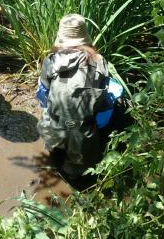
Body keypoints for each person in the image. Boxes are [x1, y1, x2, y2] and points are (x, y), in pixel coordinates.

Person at [36, 14, 128, 180]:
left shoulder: (50, 61)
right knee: (78, 172)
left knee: (53, 152)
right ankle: (74, 174)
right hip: (82, 132)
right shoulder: (98, 61)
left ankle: (55, 152)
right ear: (85, 38)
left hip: (52, 126)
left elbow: (43, 93)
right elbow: (103, 99)